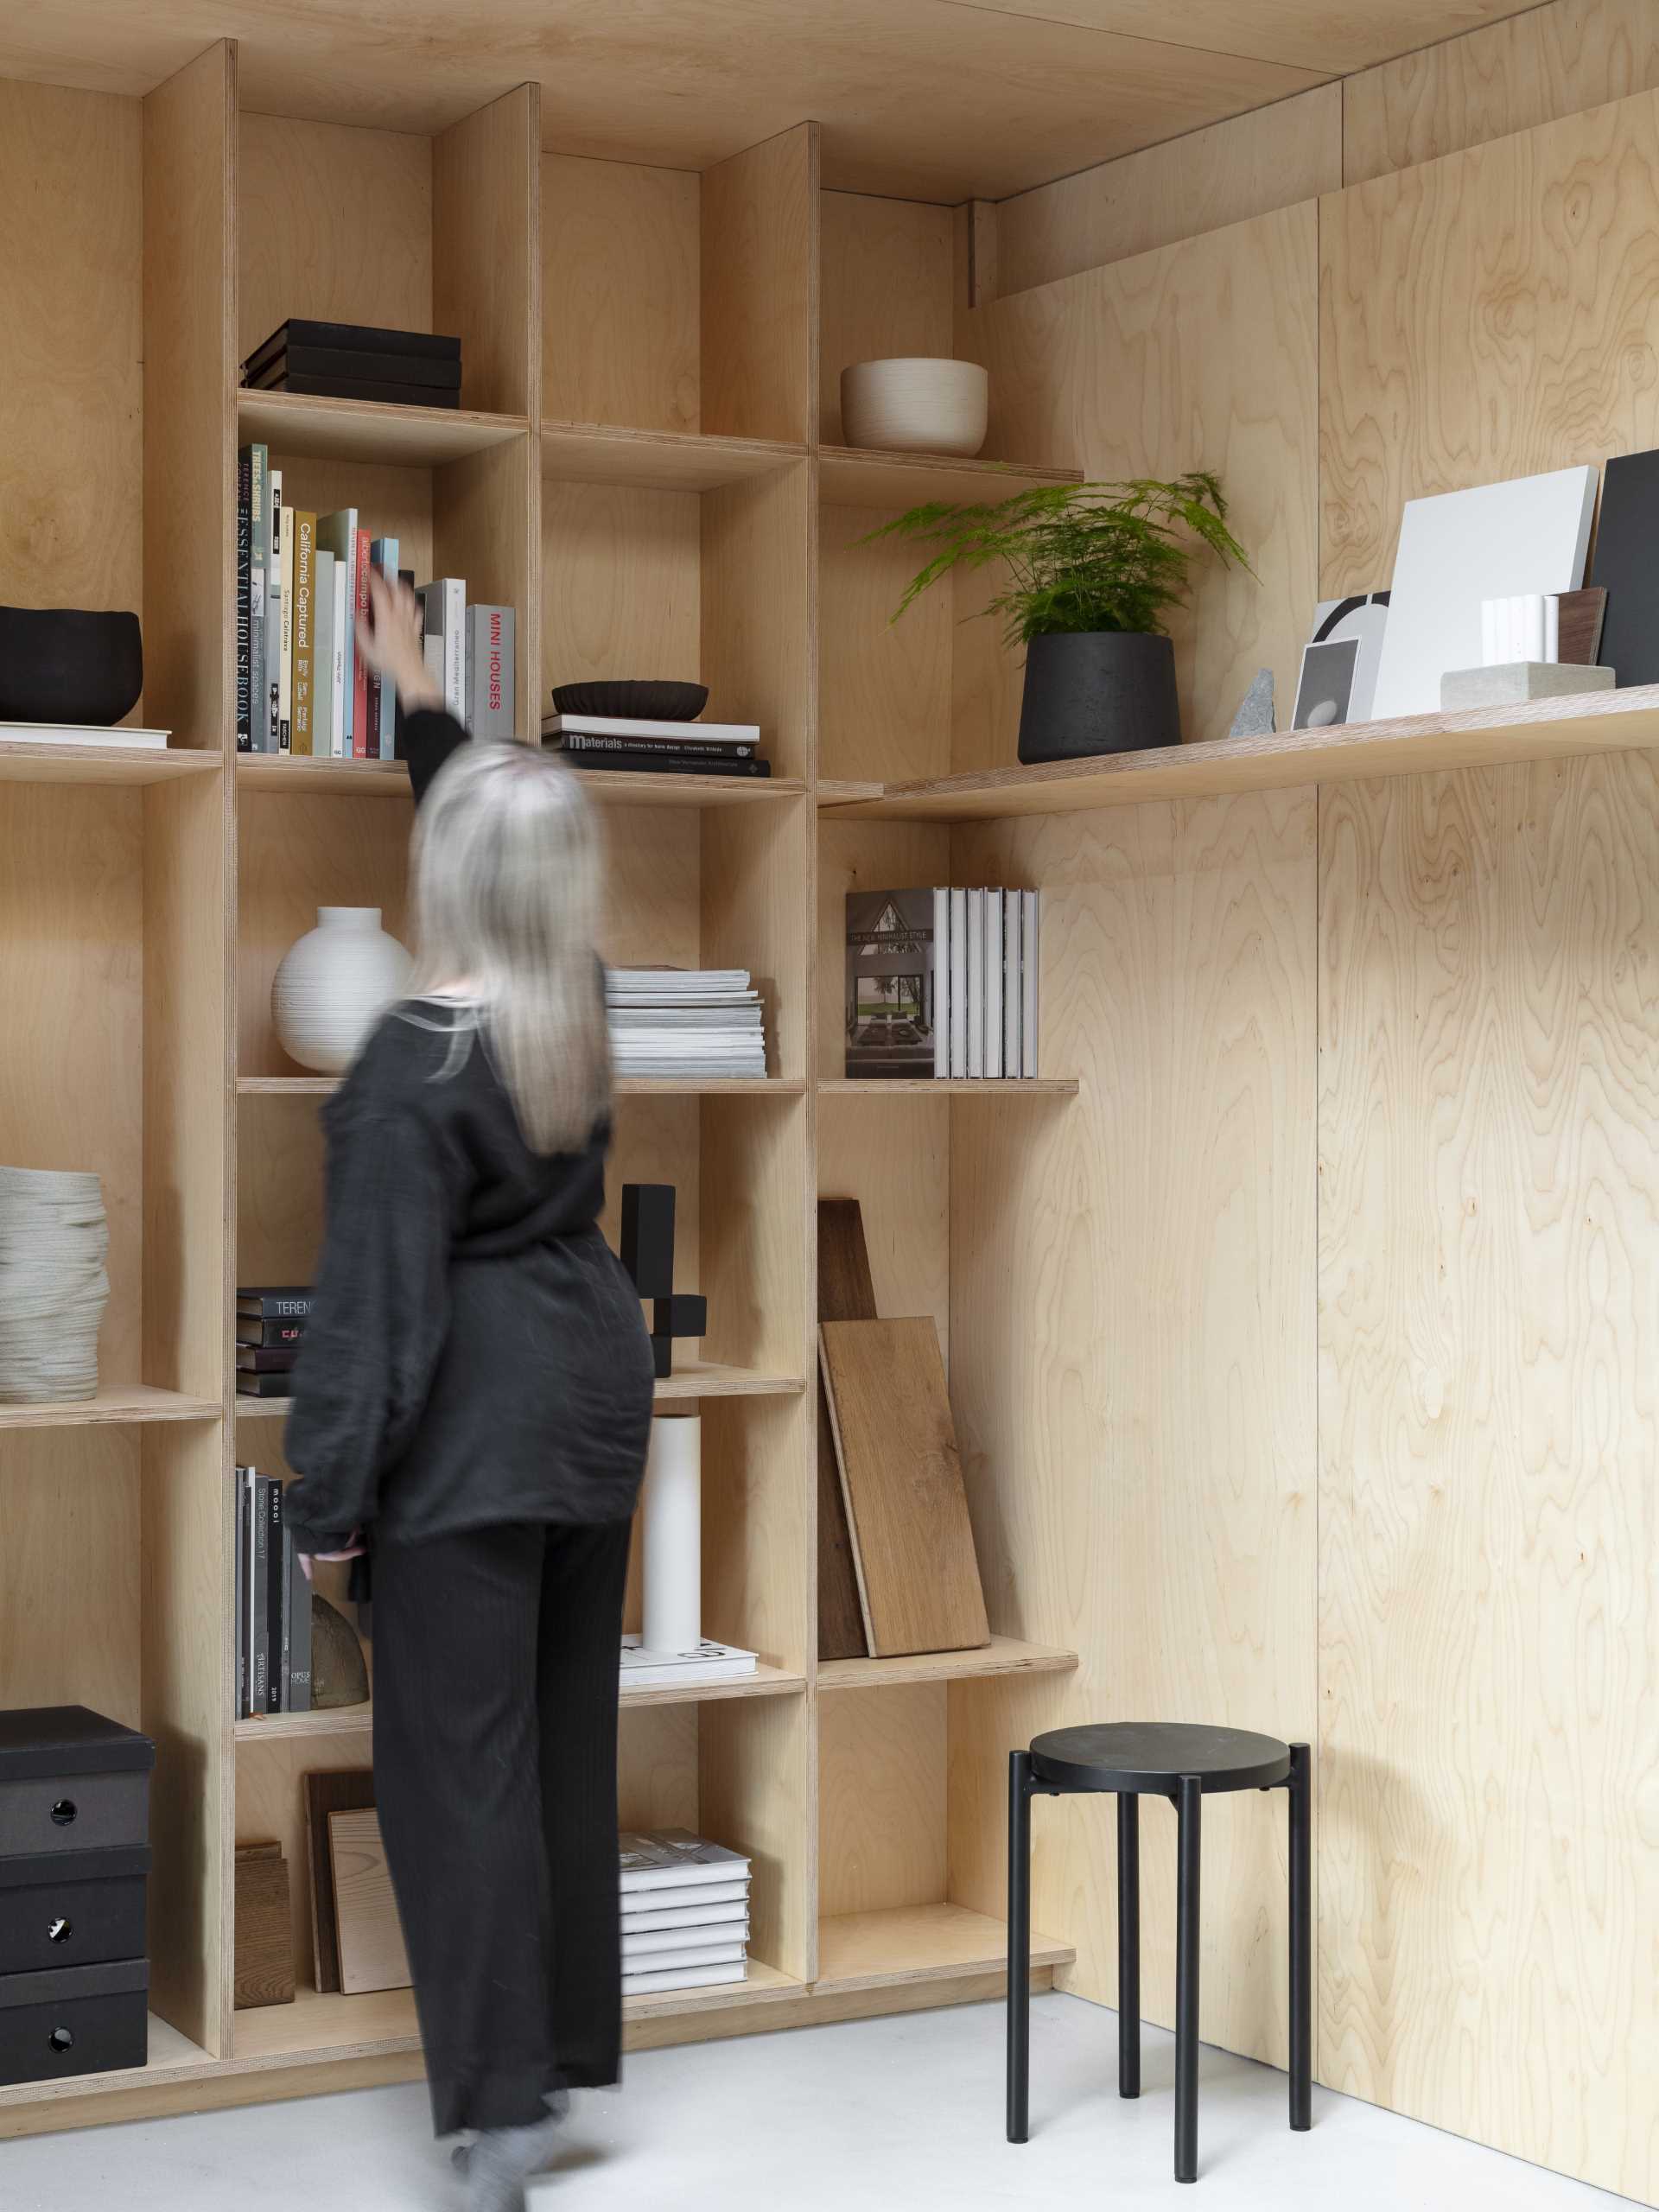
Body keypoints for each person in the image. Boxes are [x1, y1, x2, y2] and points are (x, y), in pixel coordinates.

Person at [283, 572, 656, 2212]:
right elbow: (501, 843)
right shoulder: (580, 1010)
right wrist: (419, 693)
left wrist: (323, 1522)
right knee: (560, 1750)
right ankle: (557, 2061)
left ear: (439, 879)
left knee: (461, 1775)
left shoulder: (401, 1072)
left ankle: (496, 2114)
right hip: (591, 1414)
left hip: (472, 1442)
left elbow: (364, 1331)